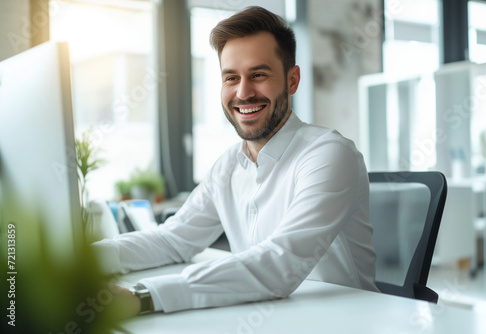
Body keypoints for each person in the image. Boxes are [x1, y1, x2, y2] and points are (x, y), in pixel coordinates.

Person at [93, 6, 377, 317]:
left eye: (258, 75)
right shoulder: (227, 167)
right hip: (261, 317)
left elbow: (280, 262)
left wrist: (144, 297)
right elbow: (173, 240)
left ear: (292, 80)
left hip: (342, 322)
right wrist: (81, 261)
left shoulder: (329, 155)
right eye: (231, 78)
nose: (243, 93)